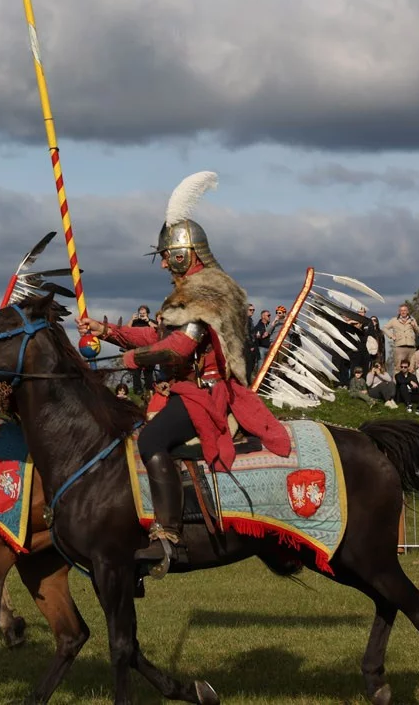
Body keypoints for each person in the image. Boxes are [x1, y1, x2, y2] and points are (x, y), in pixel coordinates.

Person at [78, 171, 290, 579]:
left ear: (182, 253)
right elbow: (159, 334)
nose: (161, 262)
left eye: (164, 254)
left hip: (207, 393)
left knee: (153, 440)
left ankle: (168, 538)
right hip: (184, 390)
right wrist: (110, 333)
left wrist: (131, 361)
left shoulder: (206, 290)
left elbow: (181, 347)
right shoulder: (188, 291)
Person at [384, 304, 419, 375]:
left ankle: (410, 385)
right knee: (398, 368)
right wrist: (391, 336)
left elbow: (418, 331)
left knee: (412, 367)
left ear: (408, 311)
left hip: (411, 347)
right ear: (399, 312)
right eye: (401, 310)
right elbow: (385, 328)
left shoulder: (412, 319)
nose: (403, 312)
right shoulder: (394, 320)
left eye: (404, 310)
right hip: (399, 347)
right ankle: (397, 385)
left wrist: (414, 326)